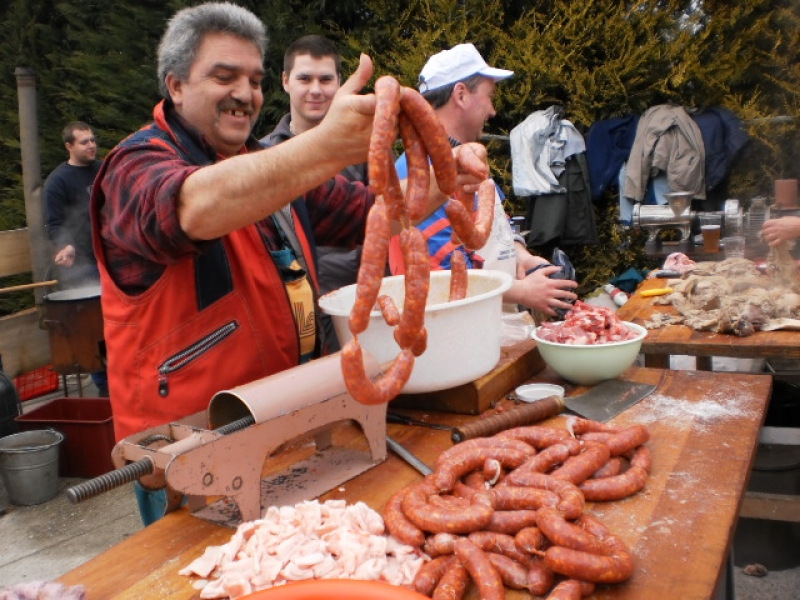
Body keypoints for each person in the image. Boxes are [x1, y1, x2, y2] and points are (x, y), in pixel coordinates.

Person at [90, 3, 483, 524]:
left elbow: (378, 215)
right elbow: (192, 206)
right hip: (190, 455)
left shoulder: (269, 166)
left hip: (283, 428)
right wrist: (322, 146)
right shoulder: (133, 166)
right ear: (176, 85)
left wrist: (446, 177)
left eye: (253, 80)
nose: (245, 94)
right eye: (224, 76)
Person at [392, 44, 578, 317]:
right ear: (461, 95)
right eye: (489, 96)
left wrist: (523, 258)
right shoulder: (417, 171)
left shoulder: (467, 159)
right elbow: (443, 274)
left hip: (494, 322)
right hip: (454, 334)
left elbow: (499, 224)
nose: (492, 110)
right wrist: (522, 292)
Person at [261, 35, 368, 351]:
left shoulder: (364, 149)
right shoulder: (262, 156)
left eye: (326, 79)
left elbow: (387, 222)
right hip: (296, 318)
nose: (316, 89)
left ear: (338, 83)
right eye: (304, 78)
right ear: (285, 81)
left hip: (362, 310)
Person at [43, 121, 108, 396]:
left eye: (92, 140)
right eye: (84, 142)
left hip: (113, 257)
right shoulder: (58, 182)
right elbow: (55, 224)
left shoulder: (105, 169)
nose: (91, 145)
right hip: (84, 264)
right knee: (93, 328)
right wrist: (66, 246)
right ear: (69, 146)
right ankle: (105, 388)